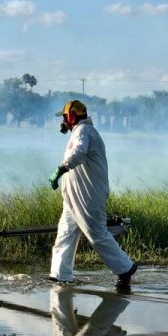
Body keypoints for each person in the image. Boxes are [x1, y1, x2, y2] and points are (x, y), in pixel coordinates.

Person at [48, 100, 137, 291]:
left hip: (88, 196)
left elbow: (79, 153)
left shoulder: (84, 131)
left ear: (72, 117)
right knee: (65, 234)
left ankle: (125, 268)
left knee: (96, 235)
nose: (63, 122)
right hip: (73, 197)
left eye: (64, 117)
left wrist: (60, 169)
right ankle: (60, 276)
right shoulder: (78, 132)